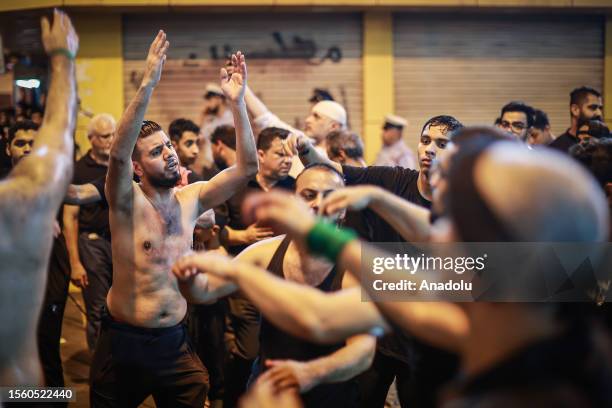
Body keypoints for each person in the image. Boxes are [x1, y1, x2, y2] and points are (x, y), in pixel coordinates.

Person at [205, 131, 612, 406]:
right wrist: (315, 237)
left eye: (451, 218)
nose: (435, 231)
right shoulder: (512, 293)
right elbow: (333, 310)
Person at [89, 30, 258, 407]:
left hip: (175, 342)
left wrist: (238, 102)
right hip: (123, 343)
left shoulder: (192, 198)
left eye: (168, 146)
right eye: (155, 152)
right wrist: (148, 82)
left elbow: (247, 167)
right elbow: (116, 156)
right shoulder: (125, 201)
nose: (169, 154)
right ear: (136, 166)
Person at [173, 164, 377, 408]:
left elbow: (363, 351)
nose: (318, 204)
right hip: (272, 392)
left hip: (331, 394)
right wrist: (189, 279)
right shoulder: (265, 253)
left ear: (343, 210)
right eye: (309, 195)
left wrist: (311, 373)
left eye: (330, 197)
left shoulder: (357, 268)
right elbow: (204, 292)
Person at [0, 9, 78, 385]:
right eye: (20, 142)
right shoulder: (16, 199)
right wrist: (63, 60)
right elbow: (56, 154)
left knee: (49, 346)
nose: (28, 148)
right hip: (17, 392)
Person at [63, 113, 116, 351]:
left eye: (114, 134)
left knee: (122, 306)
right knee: (97, 309)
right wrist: (74, 262)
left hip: (120, 243)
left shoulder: (120, 165)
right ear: (91, 138)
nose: (110, 140)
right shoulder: (78, 169)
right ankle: (100, 366)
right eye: (105, 136)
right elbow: (70, 218)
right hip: (92, 244)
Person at [550, 86, 604, 153]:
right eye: (593, 107)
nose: (599, 113)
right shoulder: (556, 149)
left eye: (600, 108)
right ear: (575, 110)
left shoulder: (606, 145)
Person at [168, 118, 202, 184]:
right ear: (174, 145)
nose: (196, 150)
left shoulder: (193, 178)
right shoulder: (163, 177)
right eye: (189, 144)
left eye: (197, 143)